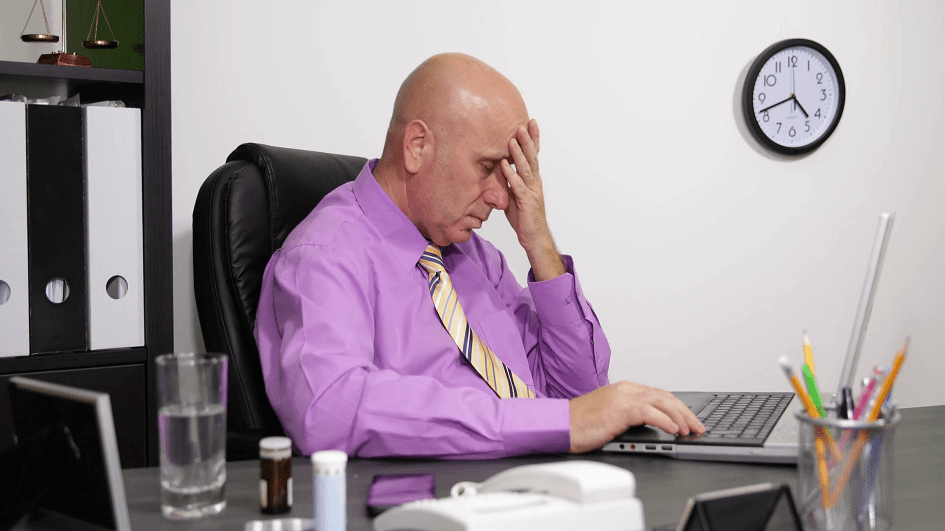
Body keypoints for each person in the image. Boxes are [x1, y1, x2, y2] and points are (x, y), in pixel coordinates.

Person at [254, 53, 704, 458]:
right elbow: (330, 410)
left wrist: (539, 244)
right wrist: (559, 423)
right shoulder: (324, 256)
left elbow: (580, 393)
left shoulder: (474, 257)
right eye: (489, 167)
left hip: (538, 486)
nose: (500, 195)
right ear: (417, 147)